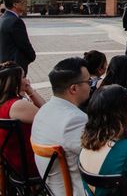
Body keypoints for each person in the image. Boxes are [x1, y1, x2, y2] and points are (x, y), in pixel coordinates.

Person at [32, 57, 90, 195]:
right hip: (77, 191)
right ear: (74, 88)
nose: (91, 85)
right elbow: (98, 157)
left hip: (51, 189)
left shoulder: (44, 111)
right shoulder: (74, 120)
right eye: (88, 81)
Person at [0, 61, 45, 178]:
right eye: (23, 77)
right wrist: (30, 91)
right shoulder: (17, 106)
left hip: (12, 162)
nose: (26, 80)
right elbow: (48, 115)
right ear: (14, 82)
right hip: (31, 165)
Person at [0, 0, 36, 74]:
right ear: (15, 4)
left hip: (2, 64)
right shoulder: (16, 21)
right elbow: (24, 44)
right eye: (22, 2)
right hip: (14, 67)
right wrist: (32, 56)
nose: (25, 4)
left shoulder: (0, 19)